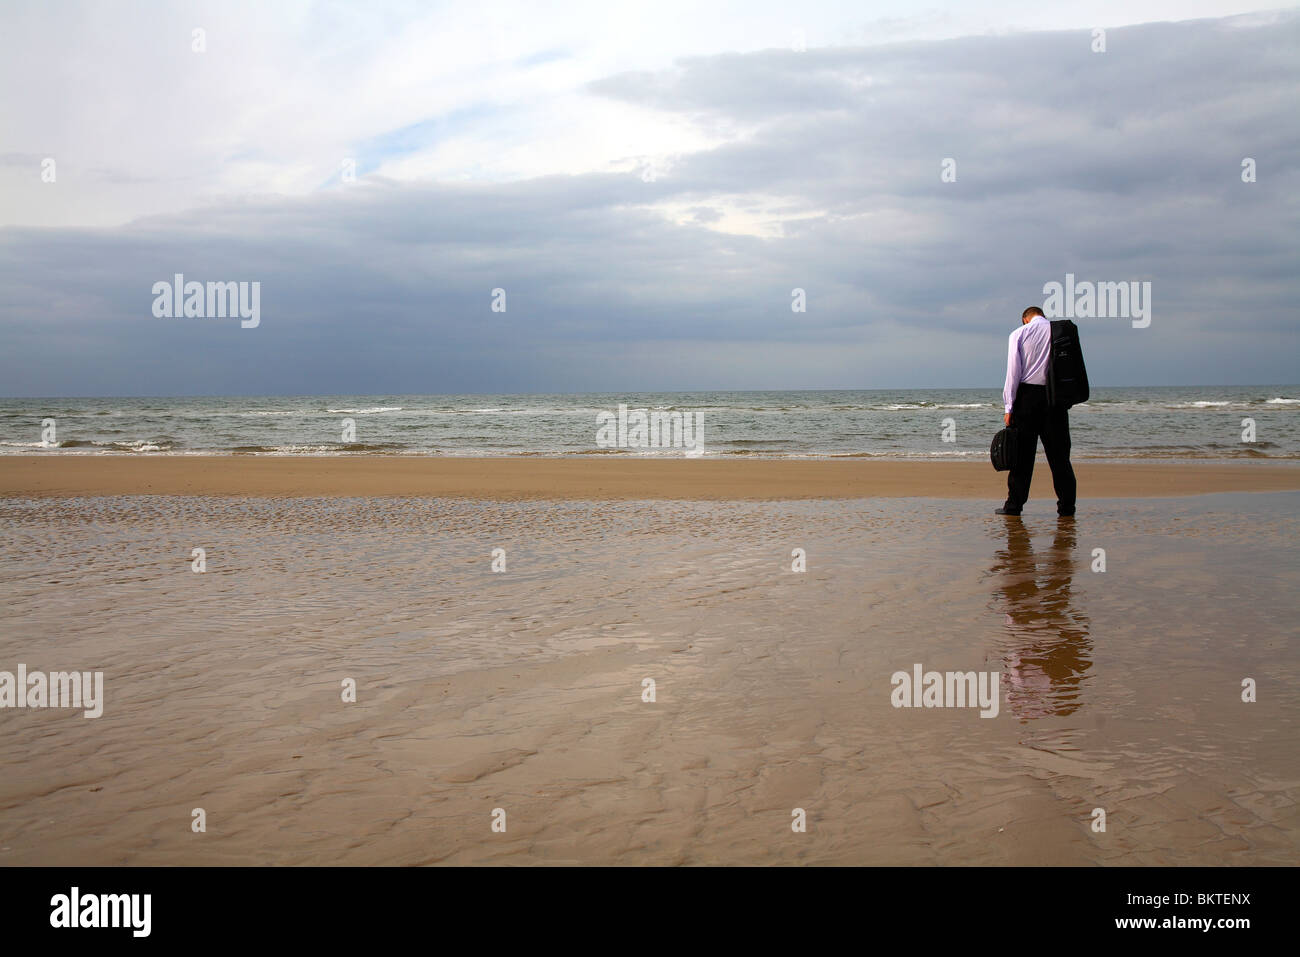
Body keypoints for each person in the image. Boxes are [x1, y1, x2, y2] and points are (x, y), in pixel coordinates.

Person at [997, 306, 1076, 517]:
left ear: (1025, 319)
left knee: (1022, 457)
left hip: (1028, 398)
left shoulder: (1019, 333)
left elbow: (1013, 372)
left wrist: (1009, 406)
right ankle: (1067, 507)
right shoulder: (1060, 332)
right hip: (1056, 398)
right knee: (1060, 457)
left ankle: (1014, 506)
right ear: (1043, 315)